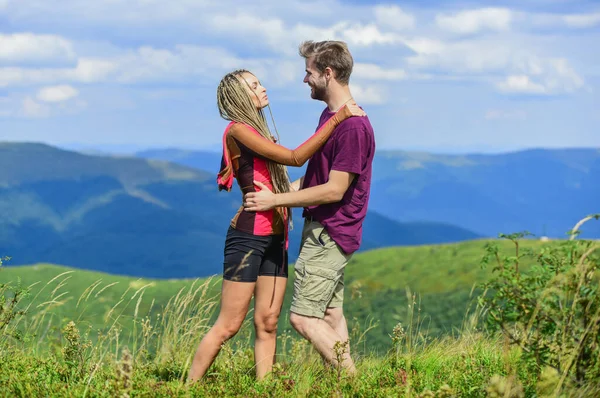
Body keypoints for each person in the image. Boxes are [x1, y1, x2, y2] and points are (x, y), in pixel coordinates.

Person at [187, 69, 365, 382]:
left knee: (268, 322)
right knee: (228, 325)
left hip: (276, 237)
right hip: (248, 237)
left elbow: (284, 183)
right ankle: (187, 387)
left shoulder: (258, 130)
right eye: (255, 85)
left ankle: (264, 388)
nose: (263, 88)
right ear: (242, 96)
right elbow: (295, 158)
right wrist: (338, 120)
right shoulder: (239, 130)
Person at [243, 40, 376, 375]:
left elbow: (334, 189)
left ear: (327, 74)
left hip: (330, 232)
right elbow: (318, 178)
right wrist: (285, 190)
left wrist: (275, 200)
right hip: (325, 230)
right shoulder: (331, 117)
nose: (305, 79)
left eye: (310, 72)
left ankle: (354, 383)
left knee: (303, 317)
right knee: (331, 313)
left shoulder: (353, 127)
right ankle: (345, 384)